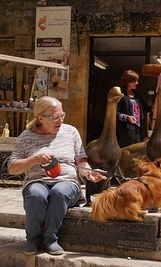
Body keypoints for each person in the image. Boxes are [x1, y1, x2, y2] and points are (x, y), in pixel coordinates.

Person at [8, 96, 106, 256]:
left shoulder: (71, 132)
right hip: (37, 181)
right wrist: (34, 160)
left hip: (67, 182)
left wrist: (89, 173)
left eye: (62, 116)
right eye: (54, 117)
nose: (59, 121)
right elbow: (12, 168)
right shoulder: (26, 137)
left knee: (59, 192)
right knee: (36, 195)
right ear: (40, 118)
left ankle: (50, 239)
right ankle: (32, 239)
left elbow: (80, 162)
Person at [116, 70, 147, 147]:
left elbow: (145, 107)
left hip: (138, 127)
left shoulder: (137, 94)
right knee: (130, 150)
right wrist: (126, 117)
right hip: (127, 129)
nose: (137, 83)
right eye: (135, 81)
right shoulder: (120, 94)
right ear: (127, 81)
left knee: (138, 149)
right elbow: (115, 112)